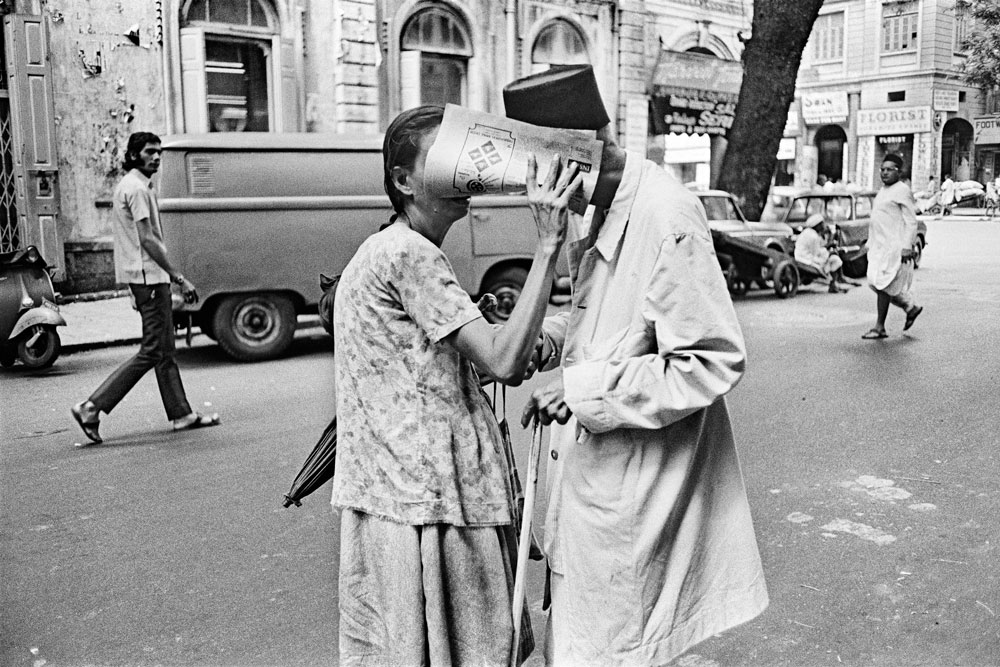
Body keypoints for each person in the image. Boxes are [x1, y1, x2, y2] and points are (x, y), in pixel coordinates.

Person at [505, 65, 768, 666]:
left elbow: (710, 361)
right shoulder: (593, 208)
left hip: (635, 499)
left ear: (576, 151)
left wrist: (583, 388)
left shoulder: (665, 213)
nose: (533, 188)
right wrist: (547, 342)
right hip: (597, 489)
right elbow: (614, 327)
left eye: (537, 168)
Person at [331, 105, 583, 666]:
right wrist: (548, 245)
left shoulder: (389, 247)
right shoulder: (409, 253)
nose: (461, 173)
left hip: (399, 498)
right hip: (431, 504)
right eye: (443, 161)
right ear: (403, 181)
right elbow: (503, 362)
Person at [71, 132, 219, 445]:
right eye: (150, 152)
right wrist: (180, 277)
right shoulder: (137, 189)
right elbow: (147, 239)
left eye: (158, 153)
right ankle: (92, 406)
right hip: (150, 279)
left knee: (164, 350)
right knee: (154, 350)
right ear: (135, 154)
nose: (156, 158)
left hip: (144, 280)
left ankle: (181, 414)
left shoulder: (130, 185)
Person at [862, 153, 923, 339]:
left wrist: (907, 246)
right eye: (883, 169)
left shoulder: (902, 190)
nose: (885, 173)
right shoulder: (883, 190)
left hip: (894, 247)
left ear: (899, 171)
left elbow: (911, 221)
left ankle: (880, 326)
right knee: (877, 282)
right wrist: (870, 242)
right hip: (879, 246)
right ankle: (909, 307)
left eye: (890, 169)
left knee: (882, 284)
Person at [794, 213, 848, 292]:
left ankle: (837, 281)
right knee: (835, 259)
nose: (824, 225)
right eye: (822, 223)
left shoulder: (807, 232)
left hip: (800, 256)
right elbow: (815, 254)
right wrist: (829, 251)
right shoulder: (814, 236)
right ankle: (833, 283)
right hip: (807, 260)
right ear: (818, 225)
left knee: (831, 255)